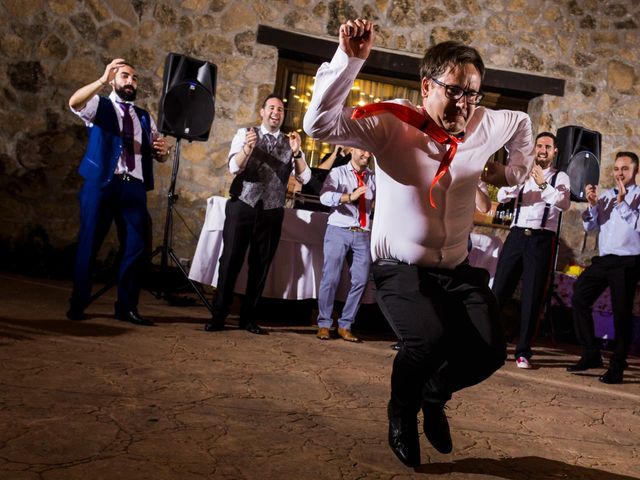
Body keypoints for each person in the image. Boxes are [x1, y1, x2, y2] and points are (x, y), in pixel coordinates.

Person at [304, 19, 534, 467]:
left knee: (489, 353)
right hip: (400, 269)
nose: (464, 104)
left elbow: (523, 124)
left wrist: (511, 173)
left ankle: (434, 393)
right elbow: (318, 124)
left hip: (456, 268)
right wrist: (350, 60)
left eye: (472, 93)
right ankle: (402, 411)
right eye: (454, 91)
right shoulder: (391, 124)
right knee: (427, 341)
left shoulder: (488, 124)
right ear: (426, 85)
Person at [66, 58, 170, 326]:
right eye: (125, 76)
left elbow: (158, 153)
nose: (130, 82)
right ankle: (78, 303)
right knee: (90, 244)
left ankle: (127, 306)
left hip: (133, 186)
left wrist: (163, 153)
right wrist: (101, 80)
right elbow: (73, 103)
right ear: (114, 80)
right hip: (102, 183)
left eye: (134, 78)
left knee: (136, 246)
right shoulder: (100, 105)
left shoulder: (145, 117)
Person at [204, 94, 311, 335]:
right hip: (243, 205)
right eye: (272, 108)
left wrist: (297, 153)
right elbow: (234, 167)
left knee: (260, 265)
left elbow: (305, 178)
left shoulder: (291, 143)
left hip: (271, 211)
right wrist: (247, 149)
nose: (276, 112)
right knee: (230, 261)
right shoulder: (246, 134)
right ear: (262, 112)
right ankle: (219, 315)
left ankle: (248, 319)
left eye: (281, 109)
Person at [491, 132, 570, 369]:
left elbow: (564, 203)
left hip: (541, 239)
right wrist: (518, 181)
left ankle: (523, 351)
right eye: (539, 146)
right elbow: (503, 195)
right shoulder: (523, 172)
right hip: (516, 235)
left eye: (547, 146)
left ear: (555, 151)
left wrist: (542, 184)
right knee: (498, 291)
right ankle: (490, 344)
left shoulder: (560, 176)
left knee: (532, 297)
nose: (542, 149)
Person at [567, 151, 640, 384]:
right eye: (617, 168)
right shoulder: (606, 194)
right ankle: (591, 354)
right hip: (605, 259)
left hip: (628, 262)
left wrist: (623, 203)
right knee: (579, 298)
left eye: (625, 169)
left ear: (635, 171)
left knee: (621, 314)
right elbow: (591, 227)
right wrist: (591, 206)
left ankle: (617, 366)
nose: (619, 173)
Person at [316, 148, 376, 342]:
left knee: (360, 280)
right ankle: (324, 324)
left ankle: (345, 325)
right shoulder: (338, 173)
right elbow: (324, 197)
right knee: (330, 279)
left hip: (362, 234)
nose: (366, 155)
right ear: (352, 151)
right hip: (338, 230)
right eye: (363, 151)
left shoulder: (373, 177)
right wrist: (348, 197)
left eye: (369, 152)